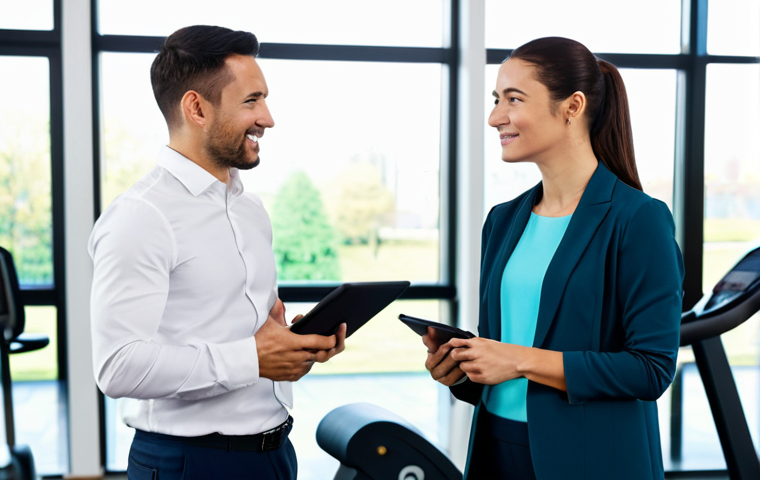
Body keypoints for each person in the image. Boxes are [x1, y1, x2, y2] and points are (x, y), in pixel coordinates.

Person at [89, 25, 346, 480]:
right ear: (196, 108)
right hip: (189, 464)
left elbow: (249, 337)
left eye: (264, 99)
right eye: (251, 101)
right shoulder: (142, 216)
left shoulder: (250, 209)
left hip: (275, 453)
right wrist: (252, 357)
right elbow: (118, 366)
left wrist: (290, 350)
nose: (267, 118)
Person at [423, 37, 684, 480]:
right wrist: (463, 369)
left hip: (592, 460)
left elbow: (650, 369)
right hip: (498, 450)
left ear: (572, 106)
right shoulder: (504, 220)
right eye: (495, 99)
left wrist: (520, 359)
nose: (495, 117)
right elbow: (502, 354)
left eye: (513, 99)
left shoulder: (638, 220)